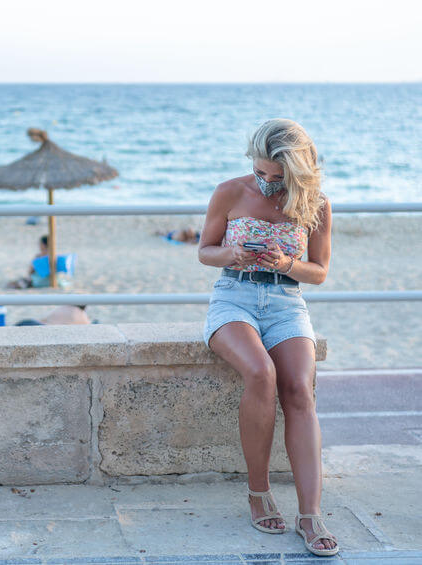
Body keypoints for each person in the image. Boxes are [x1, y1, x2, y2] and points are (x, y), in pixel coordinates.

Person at [198, 119, 338, 556]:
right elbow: (205, 250)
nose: (267, 183)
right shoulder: (230, 191)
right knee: (261, 374)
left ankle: (310, 514)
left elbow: (318, 271)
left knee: (298, 389)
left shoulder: (316, 203)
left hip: (285, 303)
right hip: (233, 299)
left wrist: (285, 264)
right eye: (261, 173)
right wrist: (231, 254)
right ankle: (258, 492)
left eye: (277, 178)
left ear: (297, 172)